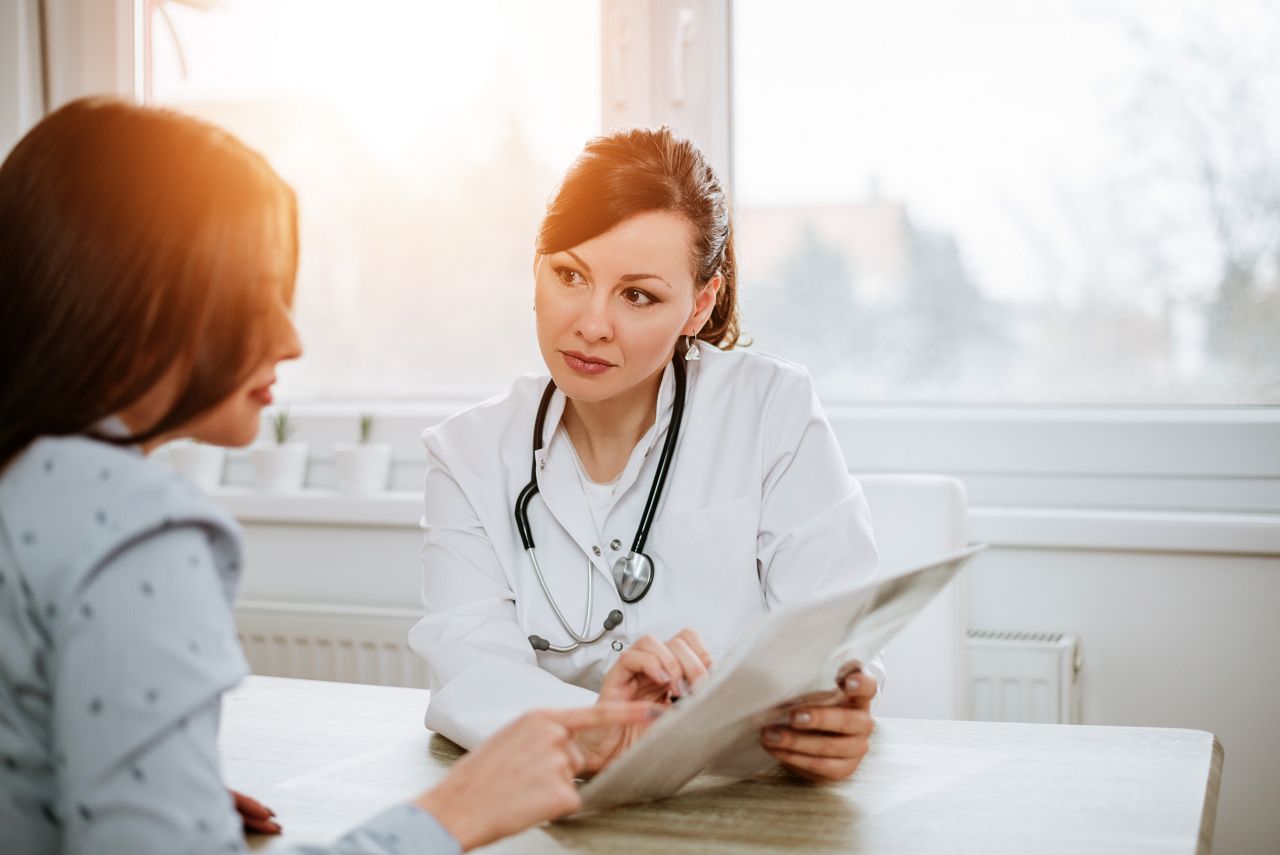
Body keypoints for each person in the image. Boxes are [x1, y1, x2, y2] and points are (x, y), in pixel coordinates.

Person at [0, 98, 656, 855]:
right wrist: (451, 814)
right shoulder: (138, 525)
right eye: (255, 296)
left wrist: (146, 785)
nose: (291, 337)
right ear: (128, 298)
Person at [409, 127, 882, 783]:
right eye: (570, 274)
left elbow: (837, 624)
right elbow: (468, 669)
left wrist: (838, 713)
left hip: (743, 800)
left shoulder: (771, 408)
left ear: (700, 304)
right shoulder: (468, 455)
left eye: (638, 294)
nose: (591, 323)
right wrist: (596, 730)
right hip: (555, 807)